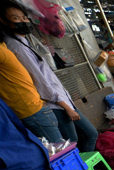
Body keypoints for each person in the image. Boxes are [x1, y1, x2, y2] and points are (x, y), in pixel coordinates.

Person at [1, 2, 97, 151]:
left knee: (83, 137)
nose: (23, 21)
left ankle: (85, 168)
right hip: (54, 104)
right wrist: (65, 106)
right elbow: (39, 80)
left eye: (24, 18)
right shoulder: (15, 46)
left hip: (60, 100)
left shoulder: (23, 41)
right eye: (16, 18)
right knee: (70, 143)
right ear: (3, 21)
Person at [0, 31, 64, 144]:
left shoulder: (3, 50)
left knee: (60, 154)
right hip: (34, 110)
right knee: (59, 152)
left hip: (32, 111)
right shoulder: (4, 48)